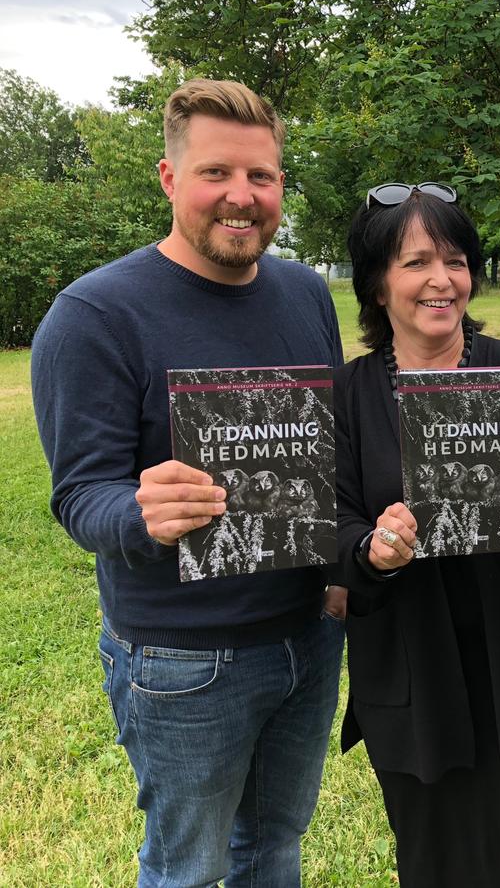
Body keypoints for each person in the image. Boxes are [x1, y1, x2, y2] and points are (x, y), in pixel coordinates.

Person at [30, 80, 346, 886]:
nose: (241, 197)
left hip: (308, 636)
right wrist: (141, 510)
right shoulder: (94, 315)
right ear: (170, 179)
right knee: (187, 868)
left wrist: (345, 568)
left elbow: (328, 449)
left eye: (263, 177)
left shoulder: (306, 292)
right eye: (216, 174)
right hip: (183, 659)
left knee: (275, 845)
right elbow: (80, 494)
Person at [332, 182, 500, 887]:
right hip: (409, 665)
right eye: (415, 262)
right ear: (376, 282)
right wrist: (371, 550)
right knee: (428, 860)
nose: (441, 280)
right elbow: (327, 522)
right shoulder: (350, 394)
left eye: (454, 260)